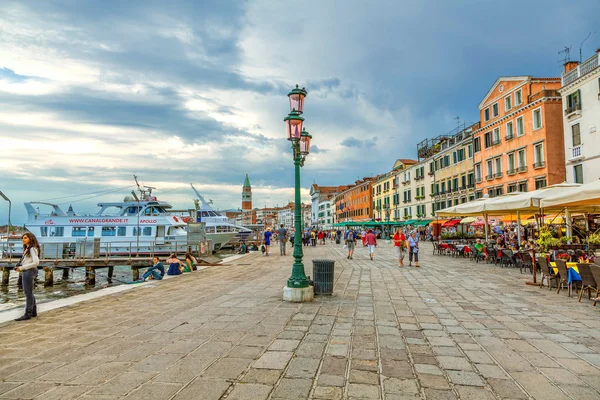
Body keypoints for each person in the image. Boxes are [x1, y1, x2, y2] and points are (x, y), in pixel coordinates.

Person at [14, 232, 40, 321]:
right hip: (28, 270)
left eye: (25, 238)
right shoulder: (27, 249)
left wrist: (22, 267)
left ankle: (27, 313)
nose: (23, 239)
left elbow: (36, 262)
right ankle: (33, 311)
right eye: (22, 238)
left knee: (27, 292)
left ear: (30, 238)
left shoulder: (32, 249)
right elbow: (28, 261)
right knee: (29, 292)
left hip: (29, 271)